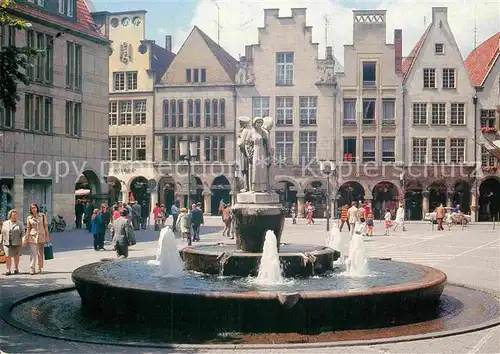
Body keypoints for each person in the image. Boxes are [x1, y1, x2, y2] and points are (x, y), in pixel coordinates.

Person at [25, 203, 50, 275]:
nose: (33, 209)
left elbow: (46, 227)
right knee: (33, 253)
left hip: (41, 236)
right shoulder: (29, 217)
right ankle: (32, 269)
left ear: (37, 208)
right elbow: (28, 228)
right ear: (30, 209)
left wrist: (47, 237)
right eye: (32, 208)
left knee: (40, 253)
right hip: (32, 237)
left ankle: (40, 268)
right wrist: (26, 238)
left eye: (34, 207)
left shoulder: (42, 215)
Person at [1, 209, 24, 275]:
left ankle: (16, 268)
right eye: (14, 215)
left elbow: (23, 233)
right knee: (7, 256)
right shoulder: (5, 223)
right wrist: (1, 242)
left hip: (17, 242)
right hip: (6, 242)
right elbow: (2, 233)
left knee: (16, 256)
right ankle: (8, 269)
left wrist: (23, 240)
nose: (15, 216)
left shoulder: (20, 223)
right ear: (10, 215)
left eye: (16, 215)